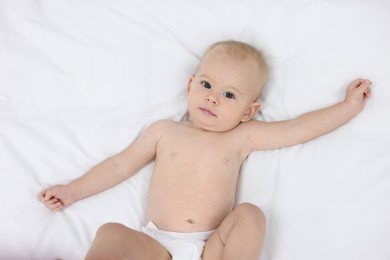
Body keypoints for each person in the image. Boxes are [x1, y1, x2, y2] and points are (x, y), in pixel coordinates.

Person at [38, 40, 372, 260]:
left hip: (213, 246)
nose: (213, 97)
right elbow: (119, 166)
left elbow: (299, 128)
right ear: (190, 85)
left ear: (248, 111)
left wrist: (347, 108)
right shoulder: (164, 131)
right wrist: (73, 191)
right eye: (207, 85)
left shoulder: (243, 136)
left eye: (229, 95)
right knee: (110, 233)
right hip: (158, 247)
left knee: (251, 215)